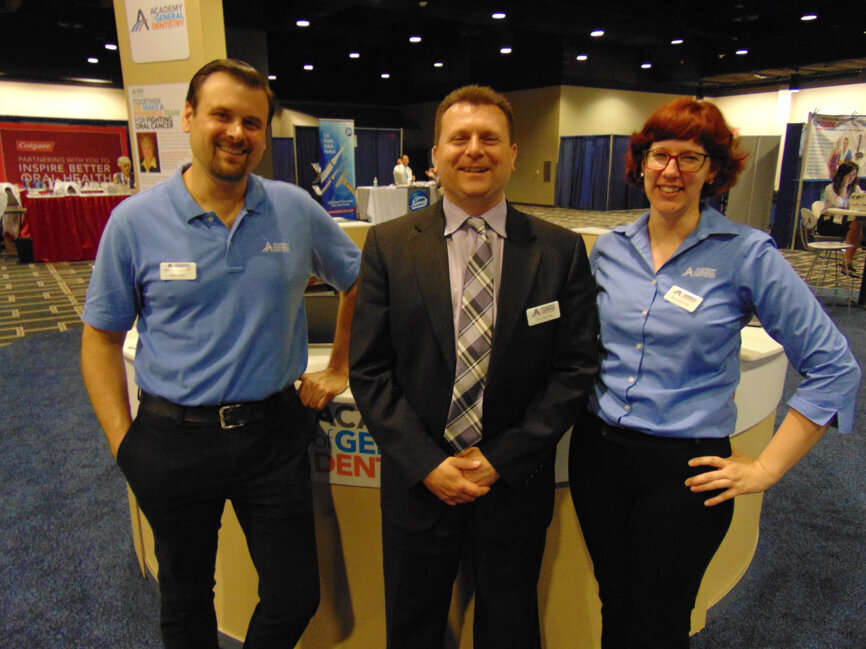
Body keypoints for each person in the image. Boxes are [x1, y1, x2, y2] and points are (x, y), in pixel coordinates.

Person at [80, 59, 361, 649]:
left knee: (294, 596)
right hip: (172, 438)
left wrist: (340, 366)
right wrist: (123, 444)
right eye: (222, 116)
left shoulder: (294, 208)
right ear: (189, 116)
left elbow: (359, 281)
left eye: (252, 122)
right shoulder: (133, 221)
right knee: (185, 600)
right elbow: (102, 338)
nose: (237, 133)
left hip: (273, 435)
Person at [569, 97, 860, 649]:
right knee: (616, 601)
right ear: (641, 163)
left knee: (661, 619)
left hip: (684, 469)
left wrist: (768, 469)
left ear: (714, 170)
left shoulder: (746, 254)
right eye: (660, 156)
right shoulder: (610, 250)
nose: (671, 171)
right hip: (599, 457)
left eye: (691, 158)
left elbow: (834, 368)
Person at [349, 85, 599, 649]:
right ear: (434, 157)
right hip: (419, 484)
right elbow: (369, 369)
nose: (474, 150)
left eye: (490, 138)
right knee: (412, 627)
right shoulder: (389, 246)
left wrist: (499, 461)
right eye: (458, 138)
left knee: (510, 628)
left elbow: (575, 370)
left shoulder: (559, 251)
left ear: (513, 153)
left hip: (513, 484)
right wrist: (427, 464)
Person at [817, 161, 863, 275]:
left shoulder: (855, 189)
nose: (852, 178)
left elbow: (861, 200)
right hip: (828, 222)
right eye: (850, 175)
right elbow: (840, 203)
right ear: (843, 174)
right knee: (856, 227)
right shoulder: (830, 188)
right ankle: (847, 262)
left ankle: (847, 262)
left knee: (859, 225)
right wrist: (844, 186)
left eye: (854, 175)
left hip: (844, 221)